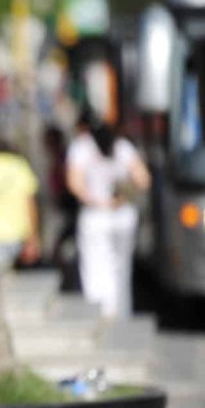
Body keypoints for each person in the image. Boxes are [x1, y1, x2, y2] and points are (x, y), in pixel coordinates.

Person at [67, 121, 151, 319]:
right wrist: (123, 196)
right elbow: (143, 180)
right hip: (123, 215)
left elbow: (74, 183)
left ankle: (101, 312)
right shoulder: (123, 147)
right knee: (121, 266)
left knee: (94, 266)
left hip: (95, 216)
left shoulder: (81, 147)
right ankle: (121, 311)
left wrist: (97, 201)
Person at [0, 126, 42, 270]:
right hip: (14, 234)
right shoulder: (18, 165)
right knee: (4, 275)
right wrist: (33, 237)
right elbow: (29, 203)